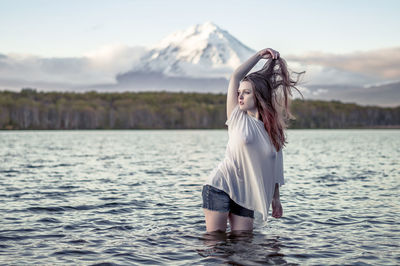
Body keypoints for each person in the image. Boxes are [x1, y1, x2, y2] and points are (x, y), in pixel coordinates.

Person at [202, 48, 304, 233]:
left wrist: (276, 199)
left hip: (247, 194)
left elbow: (276, 167)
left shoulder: (274, 131)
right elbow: (235, 76)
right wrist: (258, 55)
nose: (239, 96)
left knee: (244, 247)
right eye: (239, 92)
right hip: (221, 187)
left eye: (246, 92)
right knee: (215, 244)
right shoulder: (237, 118)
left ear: (258, 95)